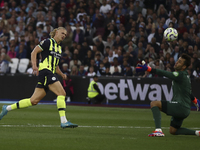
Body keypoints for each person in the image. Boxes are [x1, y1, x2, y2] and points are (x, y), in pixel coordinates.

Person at [0, 27, 78, 128]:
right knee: (62, 93)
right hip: (46, 72)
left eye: (65, 35)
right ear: (56, 32)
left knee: (33, 101)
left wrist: (62, 74)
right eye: (62, 33)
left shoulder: (59, 48)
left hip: (50, 72)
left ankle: (7, 108)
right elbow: (34, 52)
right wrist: (34, 65)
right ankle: (64, 121)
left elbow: (56, 66)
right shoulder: (48, 42)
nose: (64, 36)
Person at [136, 54, 200, 137]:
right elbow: (188, 92)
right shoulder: (185, 75)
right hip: (185, 109)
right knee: (173, 130)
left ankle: (158, 131)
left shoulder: (180, 75)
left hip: (180, 106)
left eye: (180, 62)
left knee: (154, 103)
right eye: (178, 60)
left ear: (184, 67)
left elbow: (165, 73)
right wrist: (195, 100)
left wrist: (149, 69)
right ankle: (197, 133)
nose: (176, 62)